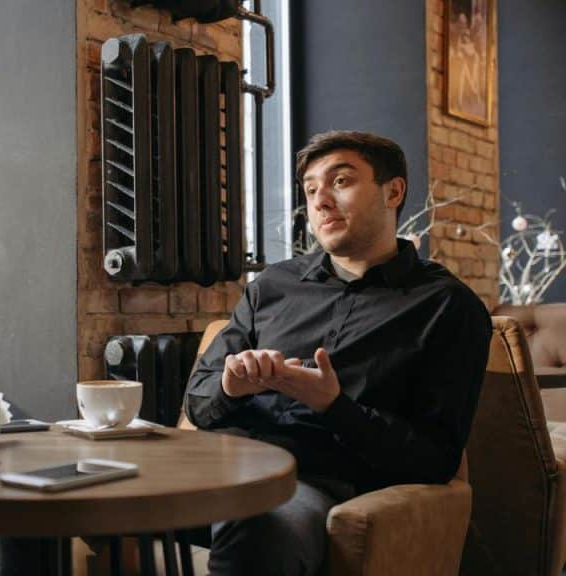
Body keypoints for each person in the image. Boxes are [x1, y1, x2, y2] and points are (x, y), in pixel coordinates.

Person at [186, 131, 491, 576]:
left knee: (250, 522)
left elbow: (435, 457)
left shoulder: (447, 306)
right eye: (310, 190)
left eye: (340, 181)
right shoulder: (271, 287)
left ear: (394, 191)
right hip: (214, 466)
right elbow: (198, 399)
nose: (320, 201)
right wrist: (230, 386)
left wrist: (333, 406)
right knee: (79, 496)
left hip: (306, 486)